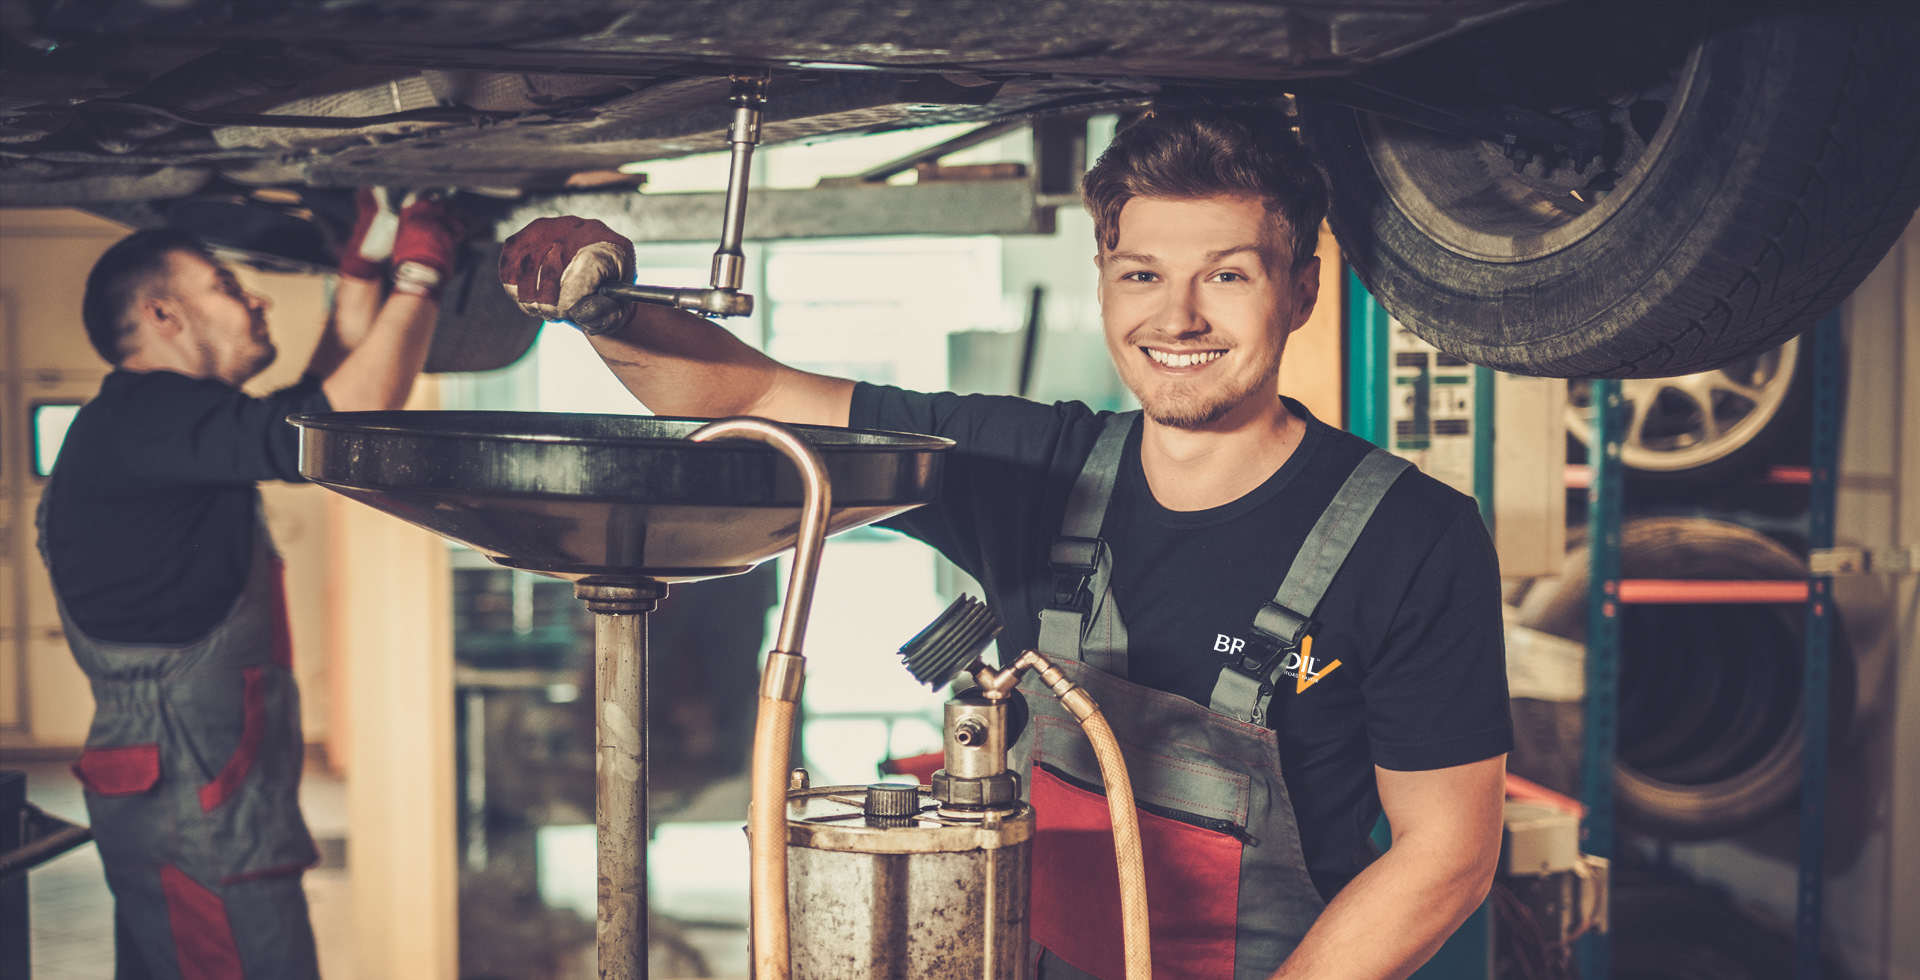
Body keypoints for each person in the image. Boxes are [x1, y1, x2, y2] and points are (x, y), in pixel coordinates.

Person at [500, 106, 1509, 980]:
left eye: (1228, 274)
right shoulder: (1035, 466)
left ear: (1300, 289)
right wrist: (602, 307)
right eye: (1142, 272)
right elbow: (752, 391)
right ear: (1105, 281)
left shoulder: (1411, 536)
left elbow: (1449, 852)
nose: (1179, 315)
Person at [39, 189, 457, 979]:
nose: (255, 296)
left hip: (193, 791)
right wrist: (422, 276)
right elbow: (353, 412)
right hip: (195, 801)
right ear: (165, 316)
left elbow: (315, 421)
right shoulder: (151, 418)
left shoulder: (152, 424)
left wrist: (365, 273)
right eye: (225, 287)